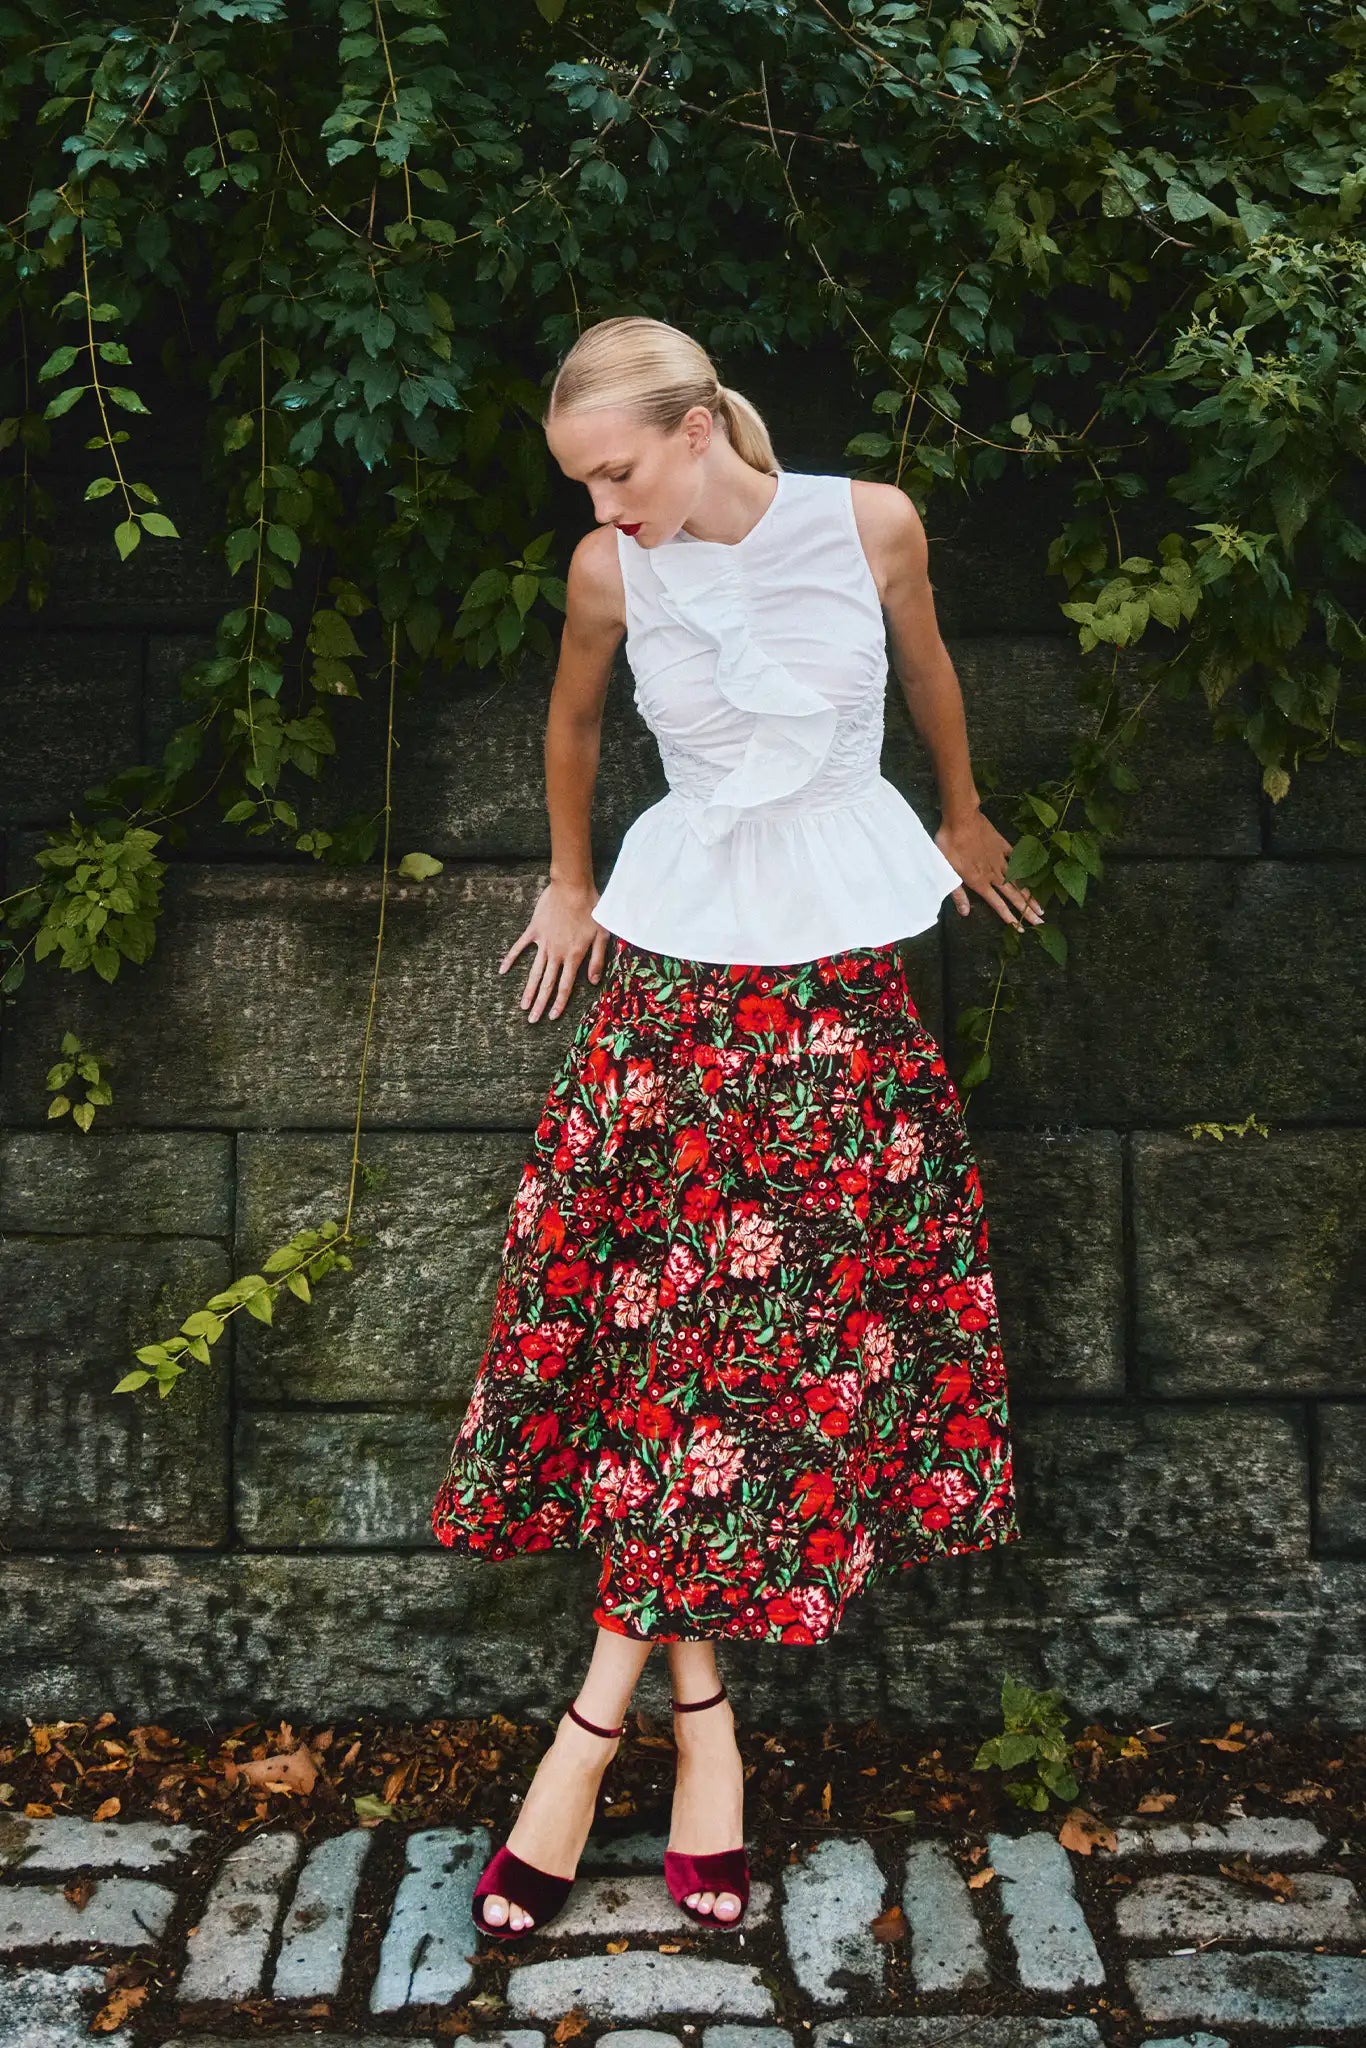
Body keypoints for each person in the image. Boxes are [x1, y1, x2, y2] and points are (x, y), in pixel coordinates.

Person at [431, 314, 1036, 1942]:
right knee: (662, 1338)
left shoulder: (872, 520)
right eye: (583, 484)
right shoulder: (606, 574)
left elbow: (925, 672)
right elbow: (570, 728)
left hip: (837, 983)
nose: (603, 507)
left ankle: (596, 1726)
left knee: (748, 1351)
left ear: (697, 427)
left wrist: (964, 812)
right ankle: (697, 1749)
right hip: (673, 983)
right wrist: (567, 882)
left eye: (616, 472)